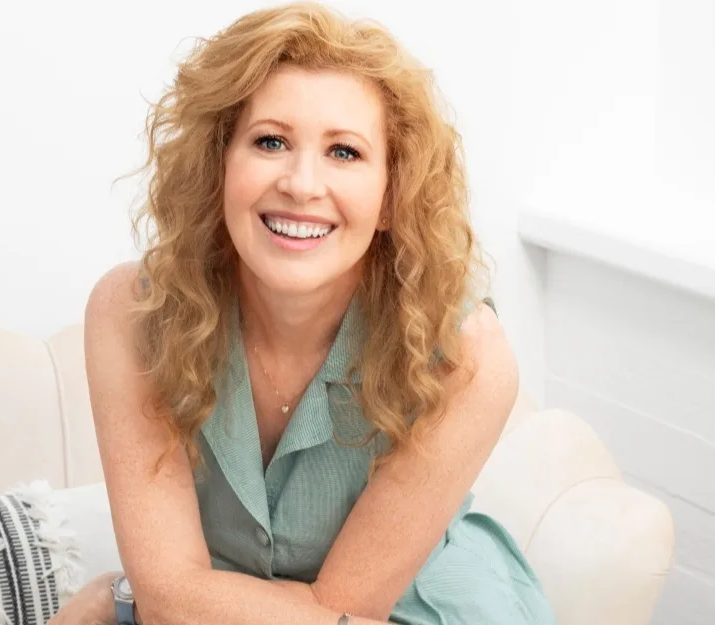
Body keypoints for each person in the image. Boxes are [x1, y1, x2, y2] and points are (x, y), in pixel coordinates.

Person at [51, 2, 555, 623]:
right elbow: (168, 598)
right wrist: (146, 596)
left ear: (392, 194)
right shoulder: (133, 313)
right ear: (217, 168)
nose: (302, 183)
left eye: (345, 152)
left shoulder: (468, 354)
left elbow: (338, 611)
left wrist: (121, 598)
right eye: (270, 141)